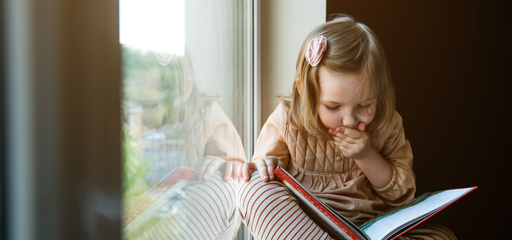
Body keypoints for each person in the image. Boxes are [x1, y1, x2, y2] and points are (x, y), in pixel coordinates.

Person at [237, 14, 456, 240]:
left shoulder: (386, 123)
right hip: (308, 228)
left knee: (441, 235)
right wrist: (265, 164)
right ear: (304, 91)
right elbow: (267, 173)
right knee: (251, 188)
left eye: (364, 105)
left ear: (378, 94)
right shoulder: (287, 120)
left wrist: (367, 155)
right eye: (333, 107)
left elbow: (402, 196)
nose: (350, 120)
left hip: (369, 229)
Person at [124, 53, 246, 240]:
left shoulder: (207, 117)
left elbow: (237, 172)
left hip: (184, 215)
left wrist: (222, 164)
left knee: (223, 185)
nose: (144, 113)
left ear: (186, 88)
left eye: (152, 104)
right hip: (135, 220)